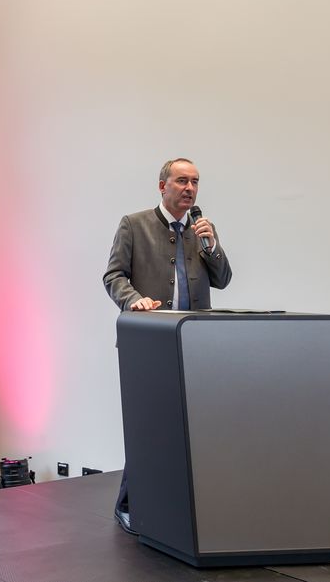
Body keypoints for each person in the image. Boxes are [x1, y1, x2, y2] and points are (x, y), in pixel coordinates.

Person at [103, 157, 233, 533]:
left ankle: (182, 503)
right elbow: (113, 274)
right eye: (181, 181)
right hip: (149, 342)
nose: (189, 188)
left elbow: (222, 279)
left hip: (194, 343)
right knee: (149, 424)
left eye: (194, 182)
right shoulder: (134, 224)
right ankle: (129, 503)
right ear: (163, 186)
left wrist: (211, 245)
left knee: (191, 426)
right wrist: (133, 300)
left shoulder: (201, 229)